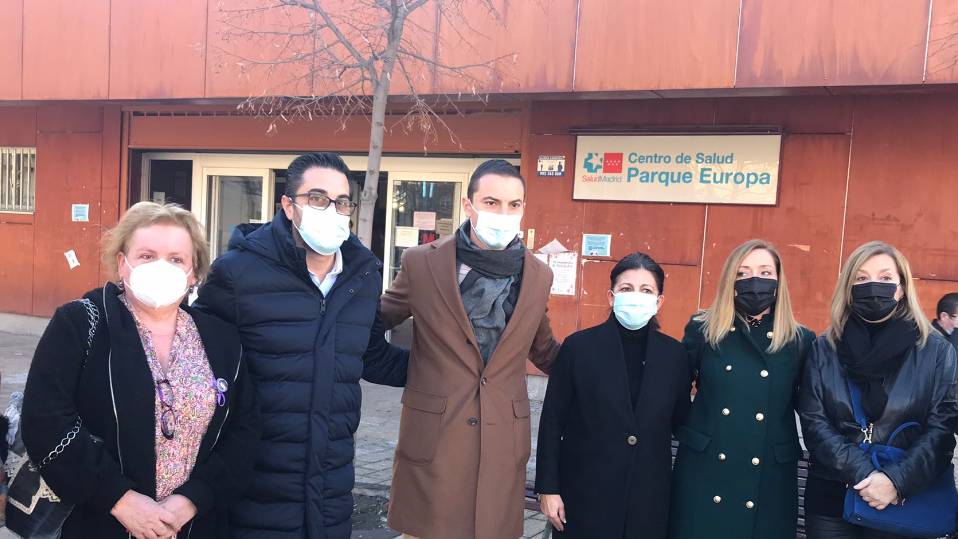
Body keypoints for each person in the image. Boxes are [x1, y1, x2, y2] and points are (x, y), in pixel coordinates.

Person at [193, 152, 408, 539]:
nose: (333, 209)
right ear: (289, 207)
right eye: (318, 198)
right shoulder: (236, 273)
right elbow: (200, 365)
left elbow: (371, 357)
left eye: (342, 201)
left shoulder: (362, 276)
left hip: (330, 485)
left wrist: (453, 366)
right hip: (255, 483)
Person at [21, 202, 260, 539]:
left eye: (177, 259)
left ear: (193, 274)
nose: (161, 267)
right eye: (147, 255)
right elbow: (45, 419)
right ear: (122, 263)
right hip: (98, 522)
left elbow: (244, 429)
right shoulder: (79, 323)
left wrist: (193, 499)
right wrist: (119, 499)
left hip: (194, 524)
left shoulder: (221, 339)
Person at [380, 159, 561, 539]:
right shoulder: (421, 263)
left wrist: (603, 365)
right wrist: (406, 369)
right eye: (492, 202)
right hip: (435, 434)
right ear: (468, 205)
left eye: (514, 205)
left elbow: (543, 349)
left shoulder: (539, 275)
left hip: (502, 438)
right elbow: (374, 323)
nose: (503, 213)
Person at [798, 241, 958, 538]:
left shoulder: (935, 351)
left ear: (901, 288)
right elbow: (813, 421)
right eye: (861, 278)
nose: (874, 287)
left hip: (903, 498)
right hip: (831, 495)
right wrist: (866, 474)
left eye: (885, 278)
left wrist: (894, 481)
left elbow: (942, 428)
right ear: (848, 287)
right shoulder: (825, 348)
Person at [535, 252, 692, 539]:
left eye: (646, 290)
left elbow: (682, 422)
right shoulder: (578, 348)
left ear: (659, 302)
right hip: (584, 493)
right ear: (611, 297)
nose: (636, 296)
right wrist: (548, 489)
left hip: (647, 500)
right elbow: (552, 422)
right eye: (626, 289)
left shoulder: (675, 356)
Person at [668, 239, 815, 539]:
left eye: (764, 272)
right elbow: (675, 393)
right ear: (730, 280)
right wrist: (696, 433)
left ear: (778, 281)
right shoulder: (704, 328)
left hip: (768, 477)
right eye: (743, 273)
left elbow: (810, 408)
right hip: (707, 468)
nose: (754, 281)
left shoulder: (799, 339)